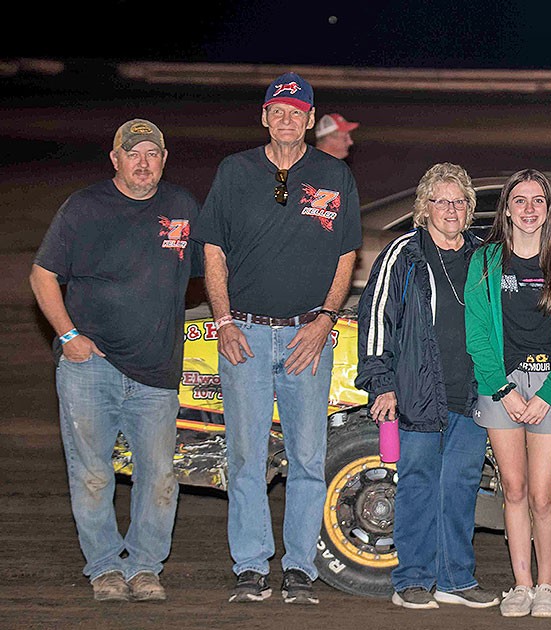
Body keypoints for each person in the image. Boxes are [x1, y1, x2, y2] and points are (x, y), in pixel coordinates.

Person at [192, 72, 362, 605]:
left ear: (311, 120)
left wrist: (325, 321)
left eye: (298, 111)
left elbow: (346, 255)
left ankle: (300, 568)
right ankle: (249, 565)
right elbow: (212, 250)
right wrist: (222, 321)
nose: (287, 118)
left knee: (308, 458)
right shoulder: (235, 170)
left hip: (306, 337)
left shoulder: (334, 175)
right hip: (243, 332)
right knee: (246, 458)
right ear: (265, 117)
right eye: (277, 110)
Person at [30, 119, 198, 602]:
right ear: (115, 159)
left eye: (152, 153)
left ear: (164, 160)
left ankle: (145, 567)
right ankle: (104, 566)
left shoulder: (182, 207)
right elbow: (42, 275)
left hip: (157, 370)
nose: (143, 162)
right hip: (90, 368)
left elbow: (214, 266)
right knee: (92, 472)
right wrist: (69, 335)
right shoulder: (84, 208)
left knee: (159, 475)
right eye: (133, 153)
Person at [355, 163, 498, 610]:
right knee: (417, 485)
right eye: (441, 200)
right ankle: (412, 580)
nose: (451, 209)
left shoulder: (485, 255)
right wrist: (381, 383)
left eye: (459, 201)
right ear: (425, 207)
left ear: (470, 207)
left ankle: (455, 578)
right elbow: (376, 318)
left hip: (472, 394)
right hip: (416, 392)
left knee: (461, 486)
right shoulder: (404, 252)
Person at [464, 169, 551, 618]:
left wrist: (546, 395)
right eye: (520, 200)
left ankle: (548, 585)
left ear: (549, 209)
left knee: (542, 495)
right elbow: (477, 333)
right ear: (507, 209)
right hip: (501, 387)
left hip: (550, 390)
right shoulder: (486, 262)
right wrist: (504, 390)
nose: (530, 208)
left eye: (539, 200)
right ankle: (520, 584)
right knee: (512, 490)